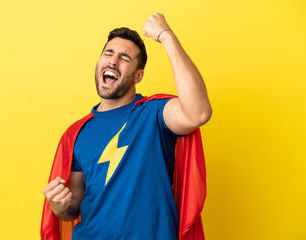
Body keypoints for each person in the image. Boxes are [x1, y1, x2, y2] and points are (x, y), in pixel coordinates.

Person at [42, 12, 212, 240]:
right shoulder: (77, 133)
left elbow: (198, 112)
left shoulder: (155, 114)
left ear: (138, 76)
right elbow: (73, 209)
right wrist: (59, 205)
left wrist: (167, 37)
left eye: (125, 58)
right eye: (108, 53)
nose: (113, 60)